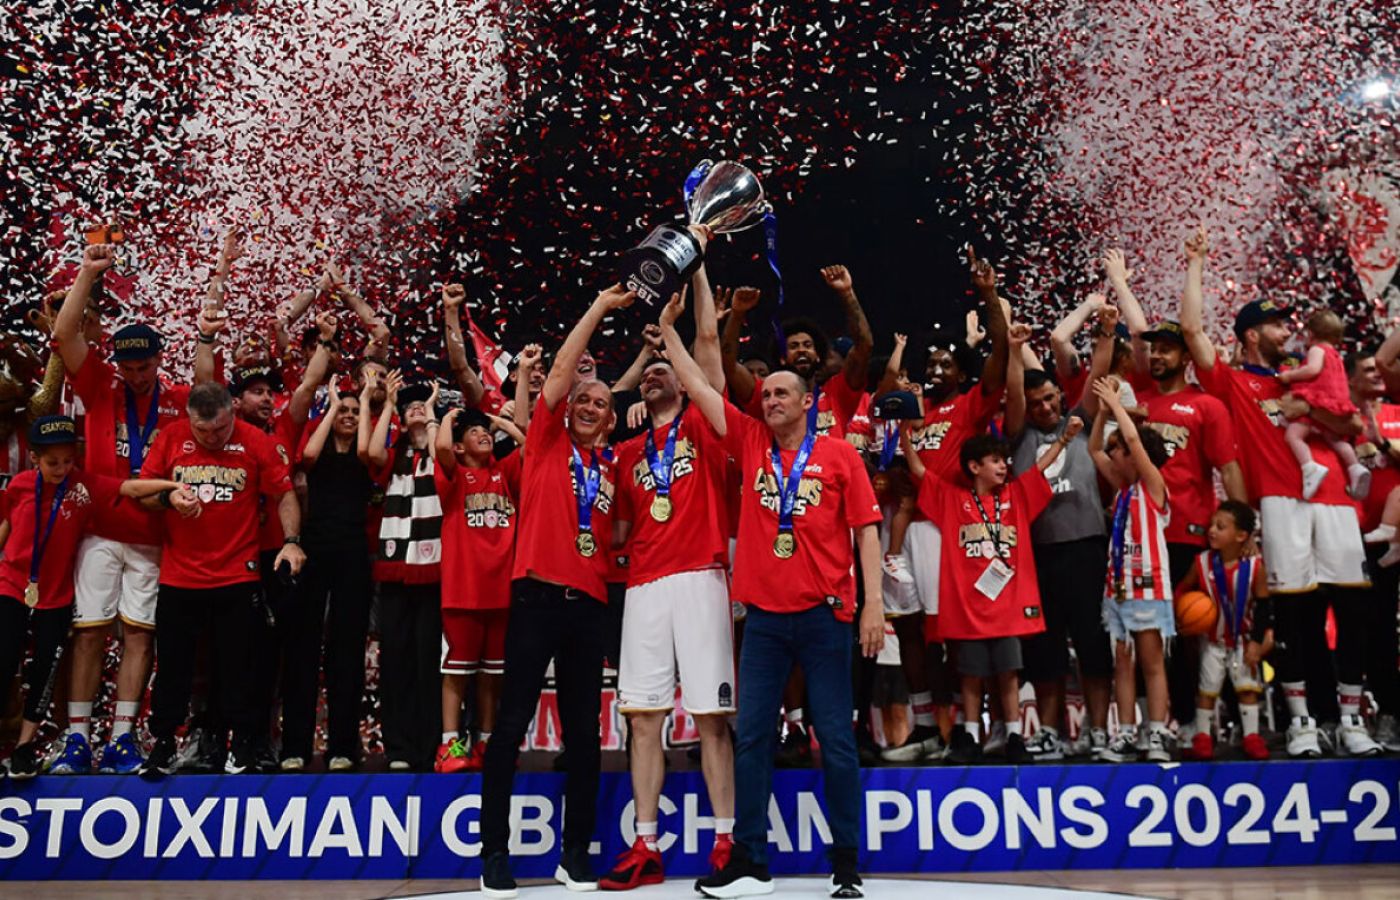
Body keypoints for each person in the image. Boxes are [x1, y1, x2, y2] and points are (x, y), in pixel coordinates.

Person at [659, 292, 884, 899]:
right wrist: (669, 333)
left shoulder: (840, 455)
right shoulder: (750, 440)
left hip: (825, 617)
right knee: (753, 737)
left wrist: (873, 604)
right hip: (763, 621)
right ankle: (750, 861)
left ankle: (846, 864)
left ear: (809, 402)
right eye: (766, 395)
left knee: (836, 740)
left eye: (782, 393)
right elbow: (698, 385)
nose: (770, 399)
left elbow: (867, 530)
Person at [1179, 226, 1375, 757]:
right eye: (1275, 324)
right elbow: (1192, 330)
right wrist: (1196, 262)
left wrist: (1309, 408)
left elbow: (1353, 426)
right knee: (1293, 615)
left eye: (1287, 322)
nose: (1287, 330)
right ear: (1251, 335)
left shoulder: (1305, 374)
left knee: (1351, 610)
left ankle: (1352, 720)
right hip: (1280, 503)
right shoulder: (1234, 382)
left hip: (1334, 499)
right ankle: (1301, 722)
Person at [478, 283, 635, 899]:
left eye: (601, 402)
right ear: (566, 408)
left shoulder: (615, 468)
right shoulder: (545, 441)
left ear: (612, 418)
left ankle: (575, 855)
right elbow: (566, 368)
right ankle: (494, 854)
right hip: (537, 599)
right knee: (511, 725)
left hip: (590, 607)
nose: (590, 405)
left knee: (584, 736)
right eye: (582, 399)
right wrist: (597, 308)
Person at [601, 277, 736, 891]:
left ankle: (726, 840)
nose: (655, 374)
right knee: (643, 718)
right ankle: (646, 845)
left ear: (684, 382)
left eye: (665, 370)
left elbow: (707, 346)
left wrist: (694, 280)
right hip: (644, 587)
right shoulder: (629, 453)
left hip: (701, 578)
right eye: (649, 371)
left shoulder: (705, 427)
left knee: (711, 717)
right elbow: (617, 527)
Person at [50, 242, 193, 775]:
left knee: (139, 635)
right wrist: (87, 274)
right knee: (89, 632)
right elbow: (64, 334)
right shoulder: (99, 385)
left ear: (160, 360)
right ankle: (76, 739)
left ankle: (123, 738)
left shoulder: (179, 400)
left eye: (144, 366)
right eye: (128, 367)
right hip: (101, 529)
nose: (136, 376)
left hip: (155, 535)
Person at [136, 382, 304, 776]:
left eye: (220, 429)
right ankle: (164, 744)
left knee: (238, 666)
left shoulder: (255, 441)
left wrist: (292, 542)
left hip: (237, 573)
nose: (212, 437)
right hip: (180, 575)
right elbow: (140, 491)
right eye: (203, 430)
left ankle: (241, 745)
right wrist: (167, 498)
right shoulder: (171, 437)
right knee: (174, 667)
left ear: (233, 413)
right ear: (190, 419)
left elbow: (284, 493)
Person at [881, 250, 1009, 765]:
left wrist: (989, 296)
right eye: (930, 362)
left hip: (943, 529)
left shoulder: (971, 404)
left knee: (947, 632)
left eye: (946, 363)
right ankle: (923, 726)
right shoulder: (912, 412)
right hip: (902, 529)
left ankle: (961, 726)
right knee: (908, 629)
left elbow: (1000, 355)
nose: (936, 369)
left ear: (961, 370)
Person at [0, 416, 179, 777]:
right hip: (11, 585)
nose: (62, 469)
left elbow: (130, 488)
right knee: (3, 663)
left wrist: (174, 486)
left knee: (45, 671)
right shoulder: (19, 486)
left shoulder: (83, 486)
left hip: (55, 596)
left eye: (68, 461)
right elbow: (4, 526)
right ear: (34, 458)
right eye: (53, 463)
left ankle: (23, 748)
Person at [907, 412, 1081, 765]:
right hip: (969, 608)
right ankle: (972, 735)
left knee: (1008, 674)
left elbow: (1041, 468)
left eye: (1005, 460)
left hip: (1007, 608)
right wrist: (902, 432)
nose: (1004, 466)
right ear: (974, 467)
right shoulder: (953, 499)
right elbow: (919, 470)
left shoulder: (1015, 495)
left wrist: (1064, 439)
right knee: (971, 675)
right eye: (995, 461)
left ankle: (1015, 734)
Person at [1005, 328, 1114, 761]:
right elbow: (1014, 391)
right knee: (1045, 649)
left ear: (1060, 396)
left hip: (1087, 547)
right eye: (1036, 403)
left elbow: (1099, 372)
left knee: (1092, 644)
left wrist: (1107, 331)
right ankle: (1050, 731)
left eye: (1051, 398)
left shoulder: (1080, 421)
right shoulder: (1019, 435)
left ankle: (1098, 730)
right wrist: (1014, 349)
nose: (1046, 407)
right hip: (1040, 553)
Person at [279, 380, 377, 771]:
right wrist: (333, 405)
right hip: (315, 549)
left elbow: (367, 450)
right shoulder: (319, 450)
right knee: (302, 650)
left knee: (347, 652)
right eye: (343, 412)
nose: (349, 416)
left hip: (353, 553)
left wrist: (364, 401)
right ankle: (294, 748)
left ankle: (342, 748)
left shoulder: (367, 452)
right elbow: (306, 456)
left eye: (354, 412)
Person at [1087, 377, 1174, 763]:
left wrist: (1117, 404)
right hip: (1118, 588)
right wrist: (1102, 413)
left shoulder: (1152, 486)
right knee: (1122, 662)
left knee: (1152, 663)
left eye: (1117, 449)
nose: (1112, 453)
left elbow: (1135, 441)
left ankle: (1156, 732)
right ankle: (1124, 732)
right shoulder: (1122, 490)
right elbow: (1092, 449)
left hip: (1149, 588)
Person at [432, 405, 524, 773]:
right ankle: (449, 744)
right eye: (474, 432)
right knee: (457, 671)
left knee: (492, 674)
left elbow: (532, 449)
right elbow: (441, 448)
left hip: (501, 591)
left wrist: (502, 424)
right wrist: (448, 418)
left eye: (485, 432)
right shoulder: (453, 476)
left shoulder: (504, 473)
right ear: (459, 446)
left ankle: (485, 741)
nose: (484, 435)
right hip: (463, 591)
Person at [366, 376, 445, 773]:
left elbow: (443, 458)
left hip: (433, 572)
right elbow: (369, 451)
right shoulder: (394, 456)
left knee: (429, 661)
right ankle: (397, 746)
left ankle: (429, 747)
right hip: (395, 570)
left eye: (423, 404)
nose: (416, 407)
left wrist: (430, 414)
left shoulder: (441, 454)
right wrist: (389, 406)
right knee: (396, 659)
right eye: (410, 406)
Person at [1175, 501, 1273, 761]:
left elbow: (1264, 606)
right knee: (1207, 690)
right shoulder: (1201, 562)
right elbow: (1182, 590)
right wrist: (1182, 615)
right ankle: (1203, 737)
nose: (1212, 530)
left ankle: (1251, 736)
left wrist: (1256, 642)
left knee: (1247, 689)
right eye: (1211, 525)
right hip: (1213, 640)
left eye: (1220, 527)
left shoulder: (1255, 566)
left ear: (1241, 536)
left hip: (1243, 640)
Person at [1276, 310, 1368, 500]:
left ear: (1311, 333)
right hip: (1336, 403)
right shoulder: (1336, 355)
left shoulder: (1317, 350)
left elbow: (1313, 369)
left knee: (1293, 436)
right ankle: (1355, 467)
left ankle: (1309, 467)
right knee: (1335, 439)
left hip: (1317, 400)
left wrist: (1290, 375)